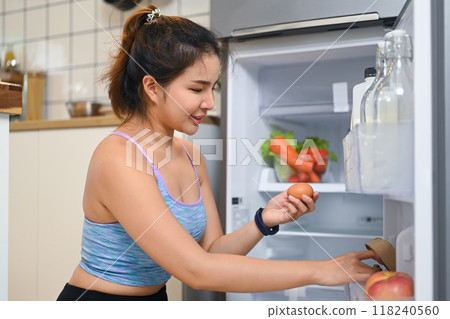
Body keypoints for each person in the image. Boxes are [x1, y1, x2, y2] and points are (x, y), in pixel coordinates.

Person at [57, 5, 380, 301]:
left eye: (214, 87)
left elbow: (211, 252)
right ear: (153, 88)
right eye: (197, 89)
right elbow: (196, 271)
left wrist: (263, 220)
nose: (210, 102)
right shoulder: (119, 156)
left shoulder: (190, 153)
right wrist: (320, 271)